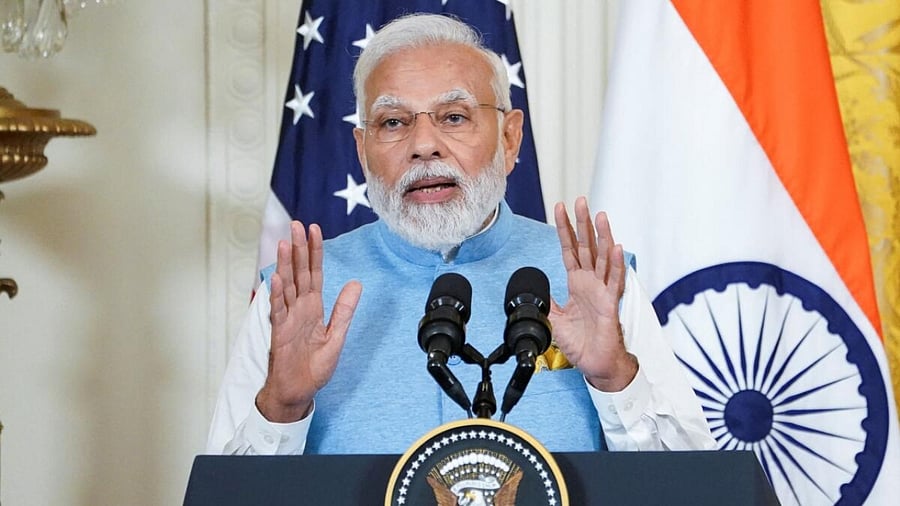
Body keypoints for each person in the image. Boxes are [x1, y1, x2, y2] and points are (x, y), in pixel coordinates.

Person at [206, 13, 715, 456]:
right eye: (393, 123)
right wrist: (282, 406)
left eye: (454, 117)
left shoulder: (596, 283)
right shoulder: (295, 295)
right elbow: (222, 492)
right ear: (362, 150)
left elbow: (696, 487)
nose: (424, 145)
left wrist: (615, 378)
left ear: (510, 138)